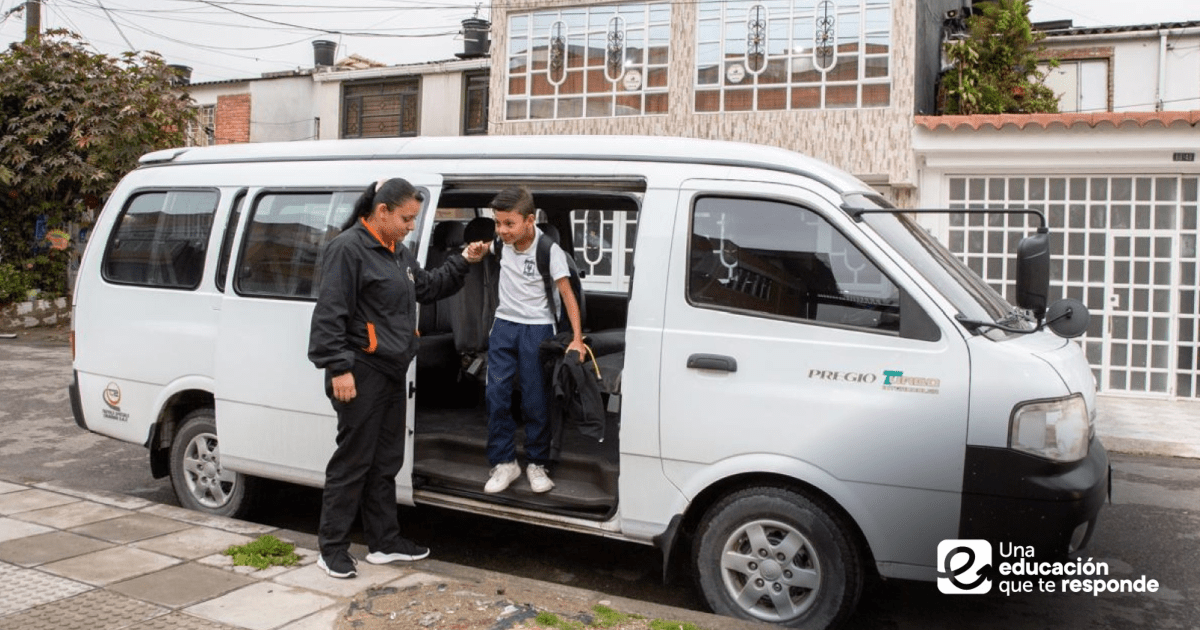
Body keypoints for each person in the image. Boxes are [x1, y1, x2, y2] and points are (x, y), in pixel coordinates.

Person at [308, 177, 487, 579]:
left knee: (386, 460)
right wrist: (339, 368)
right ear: (382, 211)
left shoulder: (397, 253)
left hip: (391, 371)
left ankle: (384, 542)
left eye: (414, 219)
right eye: (407, 218)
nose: (411, 226)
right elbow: (329, 314)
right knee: (352, 463)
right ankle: (331, 548)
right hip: (360, 372)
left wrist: (464, 260)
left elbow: (427, 287)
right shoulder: (348, 249)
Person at [483, 186, 586, 495]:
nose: (502, 230)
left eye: (509, 224)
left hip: (537, 329)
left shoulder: (548, 251)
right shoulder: (502, 245)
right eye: (497, 223)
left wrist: (577, 339)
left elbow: (568, 296)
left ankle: (536, 463)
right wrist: (476, 249)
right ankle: (504, 462)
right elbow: (486, 247)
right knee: (496, 394)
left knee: (535, 399)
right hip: (504, 326)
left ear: (529, 220)